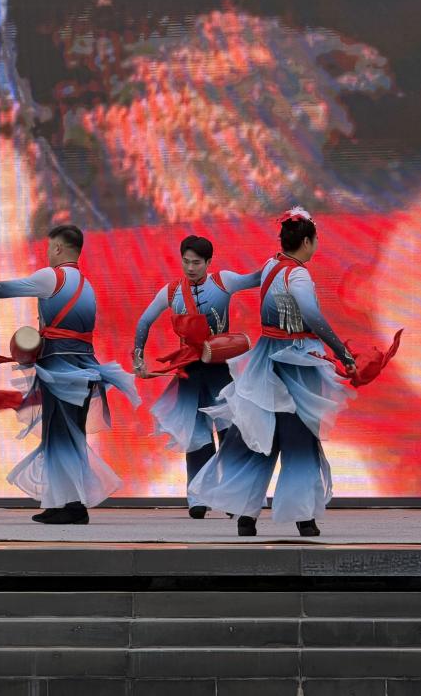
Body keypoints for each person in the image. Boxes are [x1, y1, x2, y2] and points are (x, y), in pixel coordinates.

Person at [0, 224, 140, 525]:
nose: (47, 253)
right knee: (65, 434)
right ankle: (60, 501)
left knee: (62, 436)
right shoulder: (87, 285)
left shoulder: (53, 278)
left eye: (50, 247)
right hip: (84, 368)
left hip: (60, 370)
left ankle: (74, 506)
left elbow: (4, 288)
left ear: (59, 248)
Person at [188, 208, 356, 537]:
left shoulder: (270, 266)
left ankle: (247, 515)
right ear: (306, 242)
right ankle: (303, 517)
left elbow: (246, 282)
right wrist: (343, 352)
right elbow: (312, 315)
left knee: (262, 436)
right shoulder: (299, 276)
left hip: (265, 360)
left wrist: (217, 282)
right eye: (315, 239)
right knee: (299, 438)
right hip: (297, 364)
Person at [133, 235, 260, 517]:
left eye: (197, 263)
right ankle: (199, 497)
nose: (190, 268)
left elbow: (257, 278)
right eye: (186, 261)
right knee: (195, 435)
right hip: (189, 372)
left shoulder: (223, 282)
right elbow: (144, 320)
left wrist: (283, 258)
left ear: (209, 262)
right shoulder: (172, 291)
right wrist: (138, 356)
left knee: (230, 432)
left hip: (219, 368)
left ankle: (233, 496)